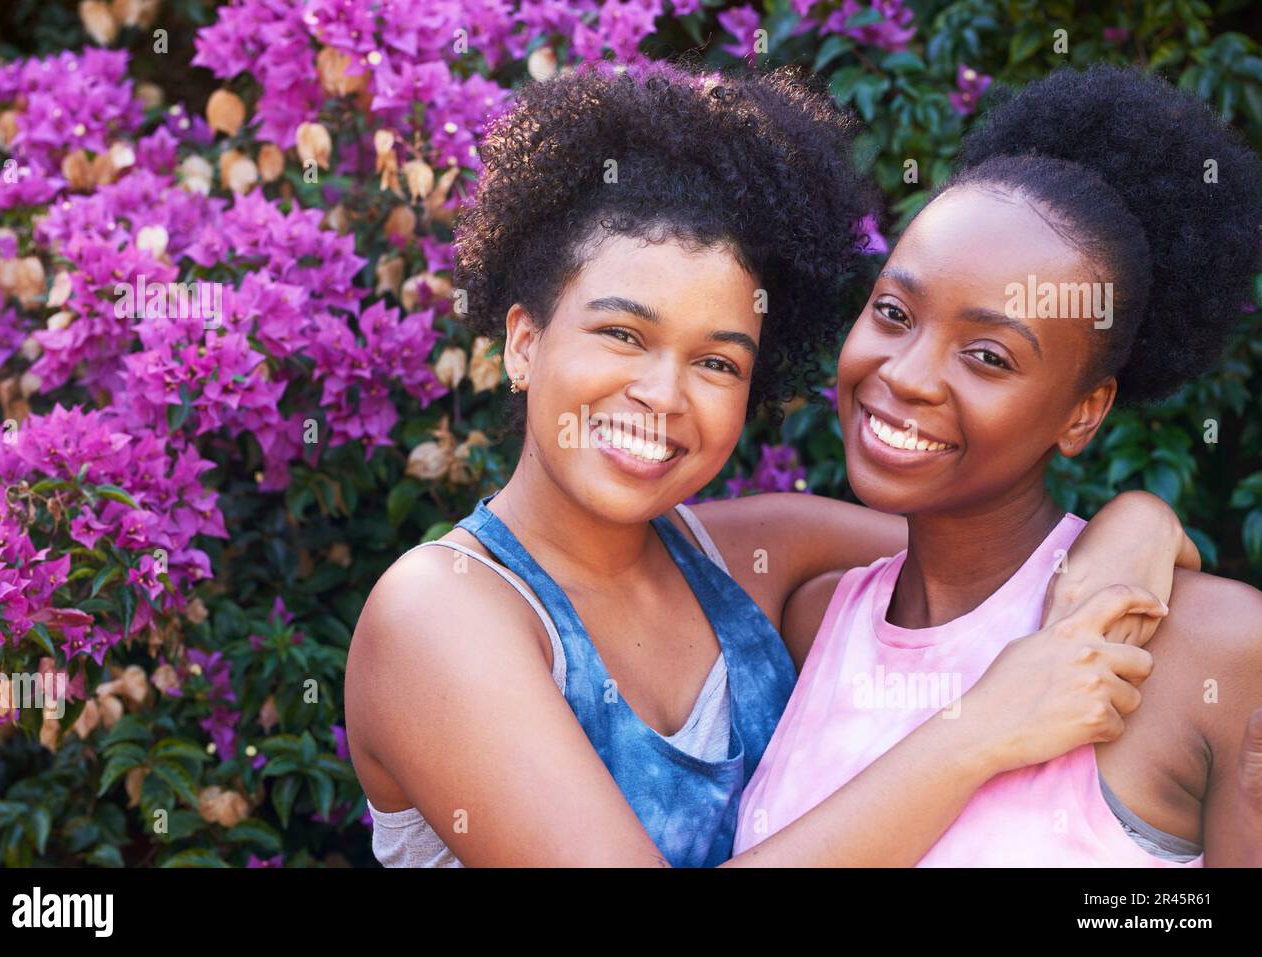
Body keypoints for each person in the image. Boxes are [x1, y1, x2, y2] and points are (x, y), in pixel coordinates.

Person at [345, 62, 1198, 867]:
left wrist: (1138, 524)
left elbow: (989, 550)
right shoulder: (440, 614)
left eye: (716, 361)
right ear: (524, 341)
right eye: (622, 333)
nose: (662, 394)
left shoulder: (755, 558)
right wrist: (978, 732)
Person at [735, 65, 1262, 866]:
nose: (906, 373)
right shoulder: (813, 623)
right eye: (894, 312)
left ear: (1084, 412)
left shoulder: (1211, 649)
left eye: (987, 355)